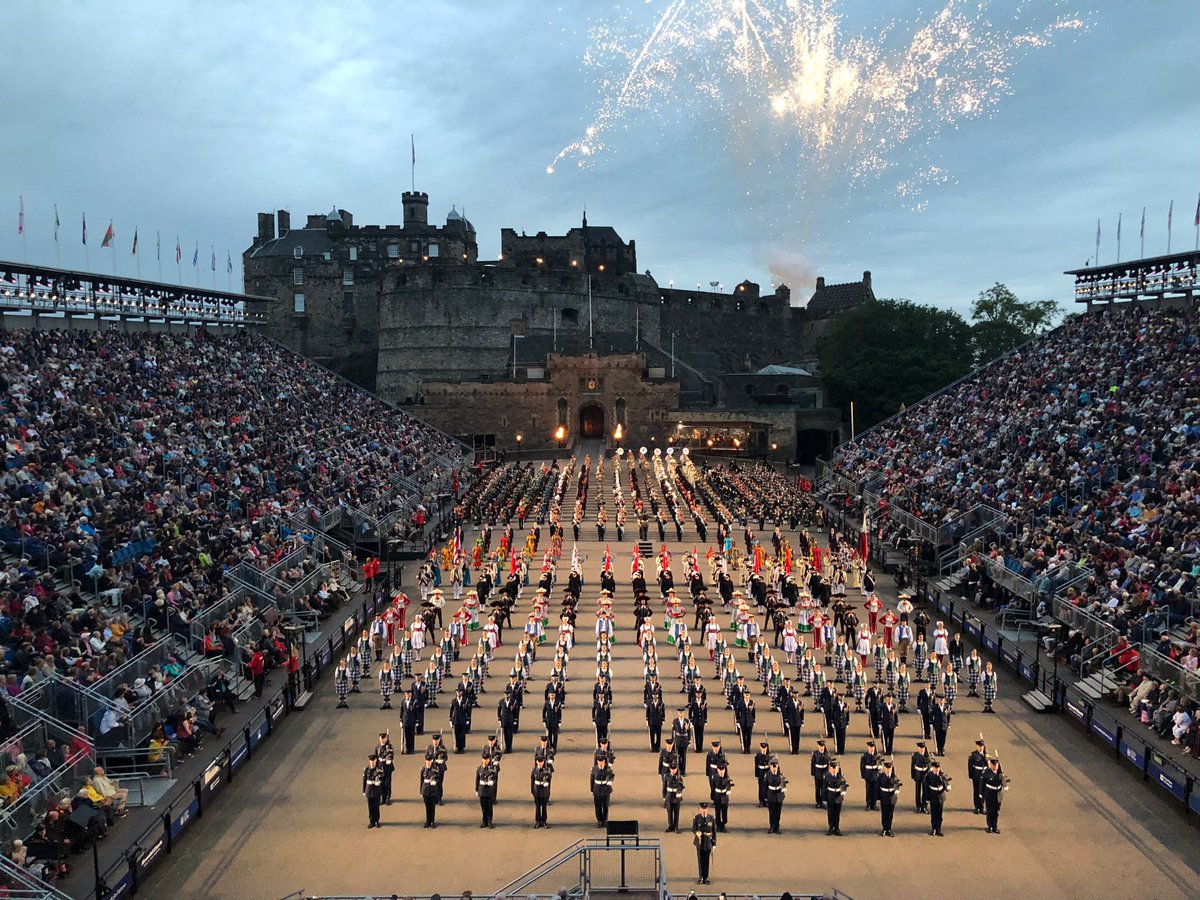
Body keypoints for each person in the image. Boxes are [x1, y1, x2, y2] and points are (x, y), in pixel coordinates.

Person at [692, 801, 717, 885]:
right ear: (700, 809)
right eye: (702, 809)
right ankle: (701, 877)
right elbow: (693, 828)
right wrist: (696, 832)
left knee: (707, 860)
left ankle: (706, 877)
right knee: (700, 860)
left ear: (707, 809)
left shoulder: (711, 818)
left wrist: (714, 843)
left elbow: (714, 831)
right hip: (699, 842)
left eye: (705, 809)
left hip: (708, 842)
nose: (704, 811)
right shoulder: (697, 818)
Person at [924, 759, 949, 836]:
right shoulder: (929, 775)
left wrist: (947, 787)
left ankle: (939, 829)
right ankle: (933, 829)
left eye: (938, 768)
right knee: (934, 813)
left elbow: (945, 784)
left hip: (940, 796)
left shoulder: (942, 775)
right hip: (933, 795)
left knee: (939, 814)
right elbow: (926, 787)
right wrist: (927, 798)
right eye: (935, 768)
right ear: (933, 768)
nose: (937, 769)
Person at [824, 759, 848, 836]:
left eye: (835, 768)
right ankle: (831, 827)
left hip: (838, 795)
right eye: (832, 769)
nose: (834, 770)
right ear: (829, 769)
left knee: (837, 813)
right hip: (830, 795)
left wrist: (842, 795)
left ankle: (836, 828)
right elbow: (824, 788)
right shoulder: (827, 777)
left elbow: (844, 786)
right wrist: (824, 799)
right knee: (830, 813)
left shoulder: (840, 777)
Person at [982, 756, 1005, 833]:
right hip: (990, 793)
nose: (995, 767)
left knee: (996, 811)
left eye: (996, 765)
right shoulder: (987, 773)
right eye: (994, 765)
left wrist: (1004, 786)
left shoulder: (1000, 773)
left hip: (997, 794)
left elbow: (1003, 781)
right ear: (991, 765)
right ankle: (990, 826)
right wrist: (981, 793)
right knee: (990, 811)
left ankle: (995, 826)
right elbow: (982, 784)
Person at [877, 759, 900, 836]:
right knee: (884, 813)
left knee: (890, 814)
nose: (888, 770)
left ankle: (889, 828)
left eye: (889, 769)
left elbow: (897, 786)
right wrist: (878, 797)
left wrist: (896, 792)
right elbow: (877, 787)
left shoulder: (895, 777)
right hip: (884, 796)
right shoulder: (881, 776)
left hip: (891, 797)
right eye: (886, 769)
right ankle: (884, 828)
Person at [590, 755, 614, 827]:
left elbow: (611, 777)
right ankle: (599, 820)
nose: (600, 763)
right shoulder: (594, 769)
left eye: (602, 761)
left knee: (605, 806)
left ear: (604, 762)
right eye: (599, 761)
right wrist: (592, 789)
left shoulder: (608, 769)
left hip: (605, 789)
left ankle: (605, 820)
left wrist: (609, 782)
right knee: (598, 806)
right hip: (597, 789)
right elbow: (592, 779)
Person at [764, 757, 787, 834]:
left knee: (778, 812)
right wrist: (765, 797)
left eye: (775, 767)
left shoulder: (781, 775)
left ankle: (777, 826)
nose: (774, 769)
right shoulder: (767, 775)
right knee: (771, 812)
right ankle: (771, 826)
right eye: (773, 767)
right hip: (771, 795)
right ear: (770, 767)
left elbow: (784, 784)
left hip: (779, 796)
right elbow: (765, 786)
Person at [475, 751, 498, 828]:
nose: (485, 761)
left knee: (489, 807)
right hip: (482, 790)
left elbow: (495, 778)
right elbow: (477, 780)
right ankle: (484, 821)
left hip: (489, 791)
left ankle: (490, 821)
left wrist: (492, 782)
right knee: (483, 807)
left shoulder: (492, 769)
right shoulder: (479, 768)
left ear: (489, 760)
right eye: (483, 759)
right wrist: (476, 790)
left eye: (486, 759)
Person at [709, 762, 732, 832]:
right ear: (718, 770)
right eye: (720, 770)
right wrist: (713, 796)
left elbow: (729, 786)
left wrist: (728, 792)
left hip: (724, 796)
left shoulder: (727, 778)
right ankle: (718, 825)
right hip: (717, 796)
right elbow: (712, 788)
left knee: (724, 812)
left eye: (723, 770)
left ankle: (723, 824)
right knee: (717, 811)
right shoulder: (714, 777)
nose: (721, 771)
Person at [363, 755, 384, 828]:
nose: (372, 762)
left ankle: (377, 821)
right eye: (371, 761)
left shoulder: (379, 769)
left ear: (376, 761)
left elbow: (382, 778)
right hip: (369, 790)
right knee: (370, 807)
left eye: (373, 761)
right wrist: (364, 790)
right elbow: (364, 780)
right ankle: (371, 821)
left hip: (376, 791)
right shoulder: (366, 770)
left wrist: (379, 783)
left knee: (376, 807)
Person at [531, 755, 553, 828]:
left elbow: (549, 781)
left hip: (544, 791)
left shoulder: (547, 770)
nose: (540, 763)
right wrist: (532, 791)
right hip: (536, 790)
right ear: (537, 762)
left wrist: (548, 791)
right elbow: (532, 781)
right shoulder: (534, 770)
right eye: (539, 762)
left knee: (544, 807)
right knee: (537, 807)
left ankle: (544, 821)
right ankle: (538, 821)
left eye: (542, 762)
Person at [663, 762, 685, 832]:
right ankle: (670, 826)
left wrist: (679, 793)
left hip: (676, 797)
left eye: (674, 769)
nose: (673, 770)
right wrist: (664, 797)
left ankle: (676, 827)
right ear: (670, 769)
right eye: (672, 769)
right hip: (669, 796)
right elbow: (664, 787)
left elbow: (681, 787)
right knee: (669, 812)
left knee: (676, 813)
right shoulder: (666, 776)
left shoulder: (679, 777)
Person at [968, 739, 988, 814]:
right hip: (976, 774)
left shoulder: (986, 755)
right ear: (977, 746)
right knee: (976, 791)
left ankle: (982, 806)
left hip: (984, 774)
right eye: (979, 746)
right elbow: (970, 766)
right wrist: (971, 775)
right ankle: (976, 806)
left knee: (983, 791)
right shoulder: (973, 755)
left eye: (982, 746)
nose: (981, 748)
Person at [860, 740, 881, 811]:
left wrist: (879, 767)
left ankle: (874, 804)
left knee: (875, 790)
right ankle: (868, 804)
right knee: (868, 790)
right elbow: (862, 766)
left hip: (875, 774)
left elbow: (880, 765)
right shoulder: (865, 756)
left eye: (873, 747)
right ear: (868, 748)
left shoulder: (877, 755)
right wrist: (863, 775)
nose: (872, 749)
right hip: (868, 774)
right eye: (870, 747)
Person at [450, 688, 472, 754]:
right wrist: (450, 719)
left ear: (462, 693)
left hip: (463, 719)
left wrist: (468, 719)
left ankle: (462, 747)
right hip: (456, 719)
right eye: (457, 692)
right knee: (456, 733)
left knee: (462, 734)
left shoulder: (465, 700)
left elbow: (468, 711)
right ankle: (457, 747)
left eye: (460, 692)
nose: (458, 693)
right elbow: (451, 710)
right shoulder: (454, 700)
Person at [376, 732, 396, 805]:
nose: (382, 740)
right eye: (381, 739)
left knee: (387, 783)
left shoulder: (389, 746)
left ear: (386, 738)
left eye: (383, 739)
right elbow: (376, 758)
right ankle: (383, 797)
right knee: (381, 783)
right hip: (380, 766)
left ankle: (388, 797)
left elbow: (391, 754)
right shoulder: (377, 747)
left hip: (387, 767)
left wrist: (389, 759)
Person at [419, 757, 440, 828]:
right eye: (427, 761)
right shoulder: (423, 769)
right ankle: (427, 821)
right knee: (427, 807)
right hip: (425, 790)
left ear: (432, 761)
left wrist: (435, 781)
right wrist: (421, 791)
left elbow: (438, 778)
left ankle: (432, 821)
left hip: (432, 791)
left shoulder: (435, 769)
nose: (428, 763)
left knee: (432, 807)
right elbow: (421, 781)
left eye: (429, 761)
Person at [911, 741, 931, 812]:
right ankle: (918, 805)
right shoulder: (915, 756)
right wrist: (913, 775)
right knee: (918, 791)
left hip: (925, 774)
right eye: (920, 748)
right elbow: (912, 766)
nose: (922, 749)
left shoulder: (927, 756)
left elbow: (928, 765)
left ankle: (924, 805)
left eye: (923, 748)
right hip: (918, 773)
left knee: (925, 790)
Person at [810, 739, 830, 809]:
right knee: (818, 788)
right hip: (818, 772)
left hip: (824, 772)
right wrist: (813, 773)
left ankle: (824, 802)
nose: (822, 747)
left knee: (824, 788)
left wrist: (828, 773)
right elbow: (813, 763)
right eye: (820, 746)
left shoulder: (827, 754)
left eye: (823, 746)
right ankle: (818, 802)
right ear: (818, 746)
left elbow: (828, 765)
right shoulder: (815, 754)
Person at [399, 688, 419, 754]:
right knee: (406, 736)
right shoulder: (403, 702)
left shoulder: (414, 702)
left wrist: (417, 721)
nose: (407, 695)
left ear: (411, 695)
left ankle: (412, 749)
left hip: (412, 721)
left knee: (411, 735)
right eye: (406, 694)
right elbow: (401, 712)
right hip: (405, 721)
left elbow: (416, 712)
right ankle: (407, 749)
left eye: (408, 694)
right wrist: (401, 721)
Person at [754, 741, 772, 807]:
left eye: (765, 748)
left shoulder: (769, 756)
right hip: (761, 771)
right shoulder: (758, 756)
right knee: (761, 787)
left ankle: (766, 800)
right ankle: (761, 801)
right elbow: (756, 766)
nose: (764, 750)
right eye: (762, 748)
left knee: (767, 786)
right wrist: (756, 775)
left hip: (767, 771)